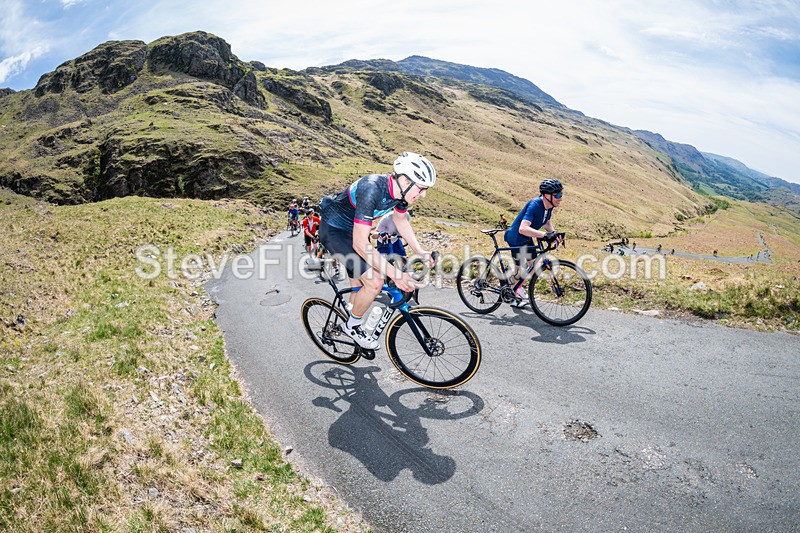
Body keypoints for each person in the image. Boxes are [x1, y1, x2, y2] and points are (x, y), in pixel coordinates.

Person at [318, 152, 436, 349]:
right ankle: (352, 327)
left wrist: (420, 251)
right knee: (375, 281)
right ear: (405, 180)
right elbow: (360, 245)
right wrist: (396, 275)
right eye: (422, 188)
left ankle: (350, 313)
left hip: (355, 232)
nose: (423, 194)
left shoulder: (401, 194)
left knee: (360, 285)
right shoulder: (372, 188)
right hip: (335, 231)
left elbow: (400, 222)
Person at [503, 178, 564, 307]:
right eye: (557, 195)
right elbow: (523, 228)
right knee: (519, 269)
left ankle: (516, 286)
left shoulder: (549, 206)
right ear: (547, 195)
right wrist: (544, 235)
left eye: (561, 195)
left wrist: (554, 233)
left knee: (534, 267)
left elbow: (546, 222)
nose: (560, 198)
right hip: (516, 238)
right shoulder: (535, 204)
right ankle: (511, 293)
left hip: (527, 238)